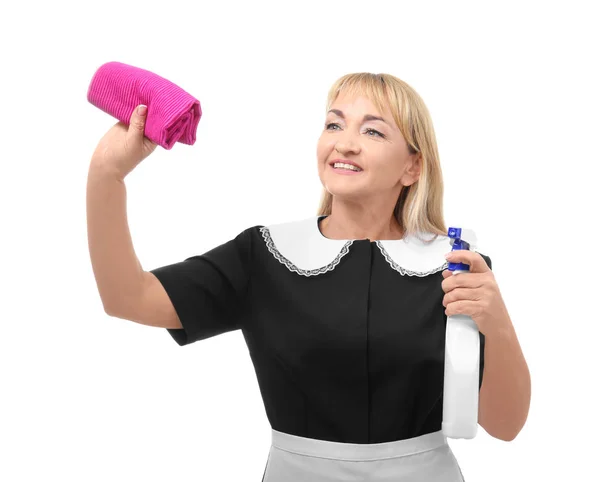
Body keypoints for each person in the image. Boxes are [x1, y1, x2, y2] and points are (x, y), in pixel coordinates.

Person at [87, 73, 529, 481]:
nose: (346, 144)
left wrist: (499, 322)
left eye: (372, 131)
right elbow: (127, 297)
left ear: (413, 167)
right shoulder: (264, 255)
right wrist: (108, 175)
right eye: (334, 125)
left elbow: (505, 426)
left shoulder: (456, 265)